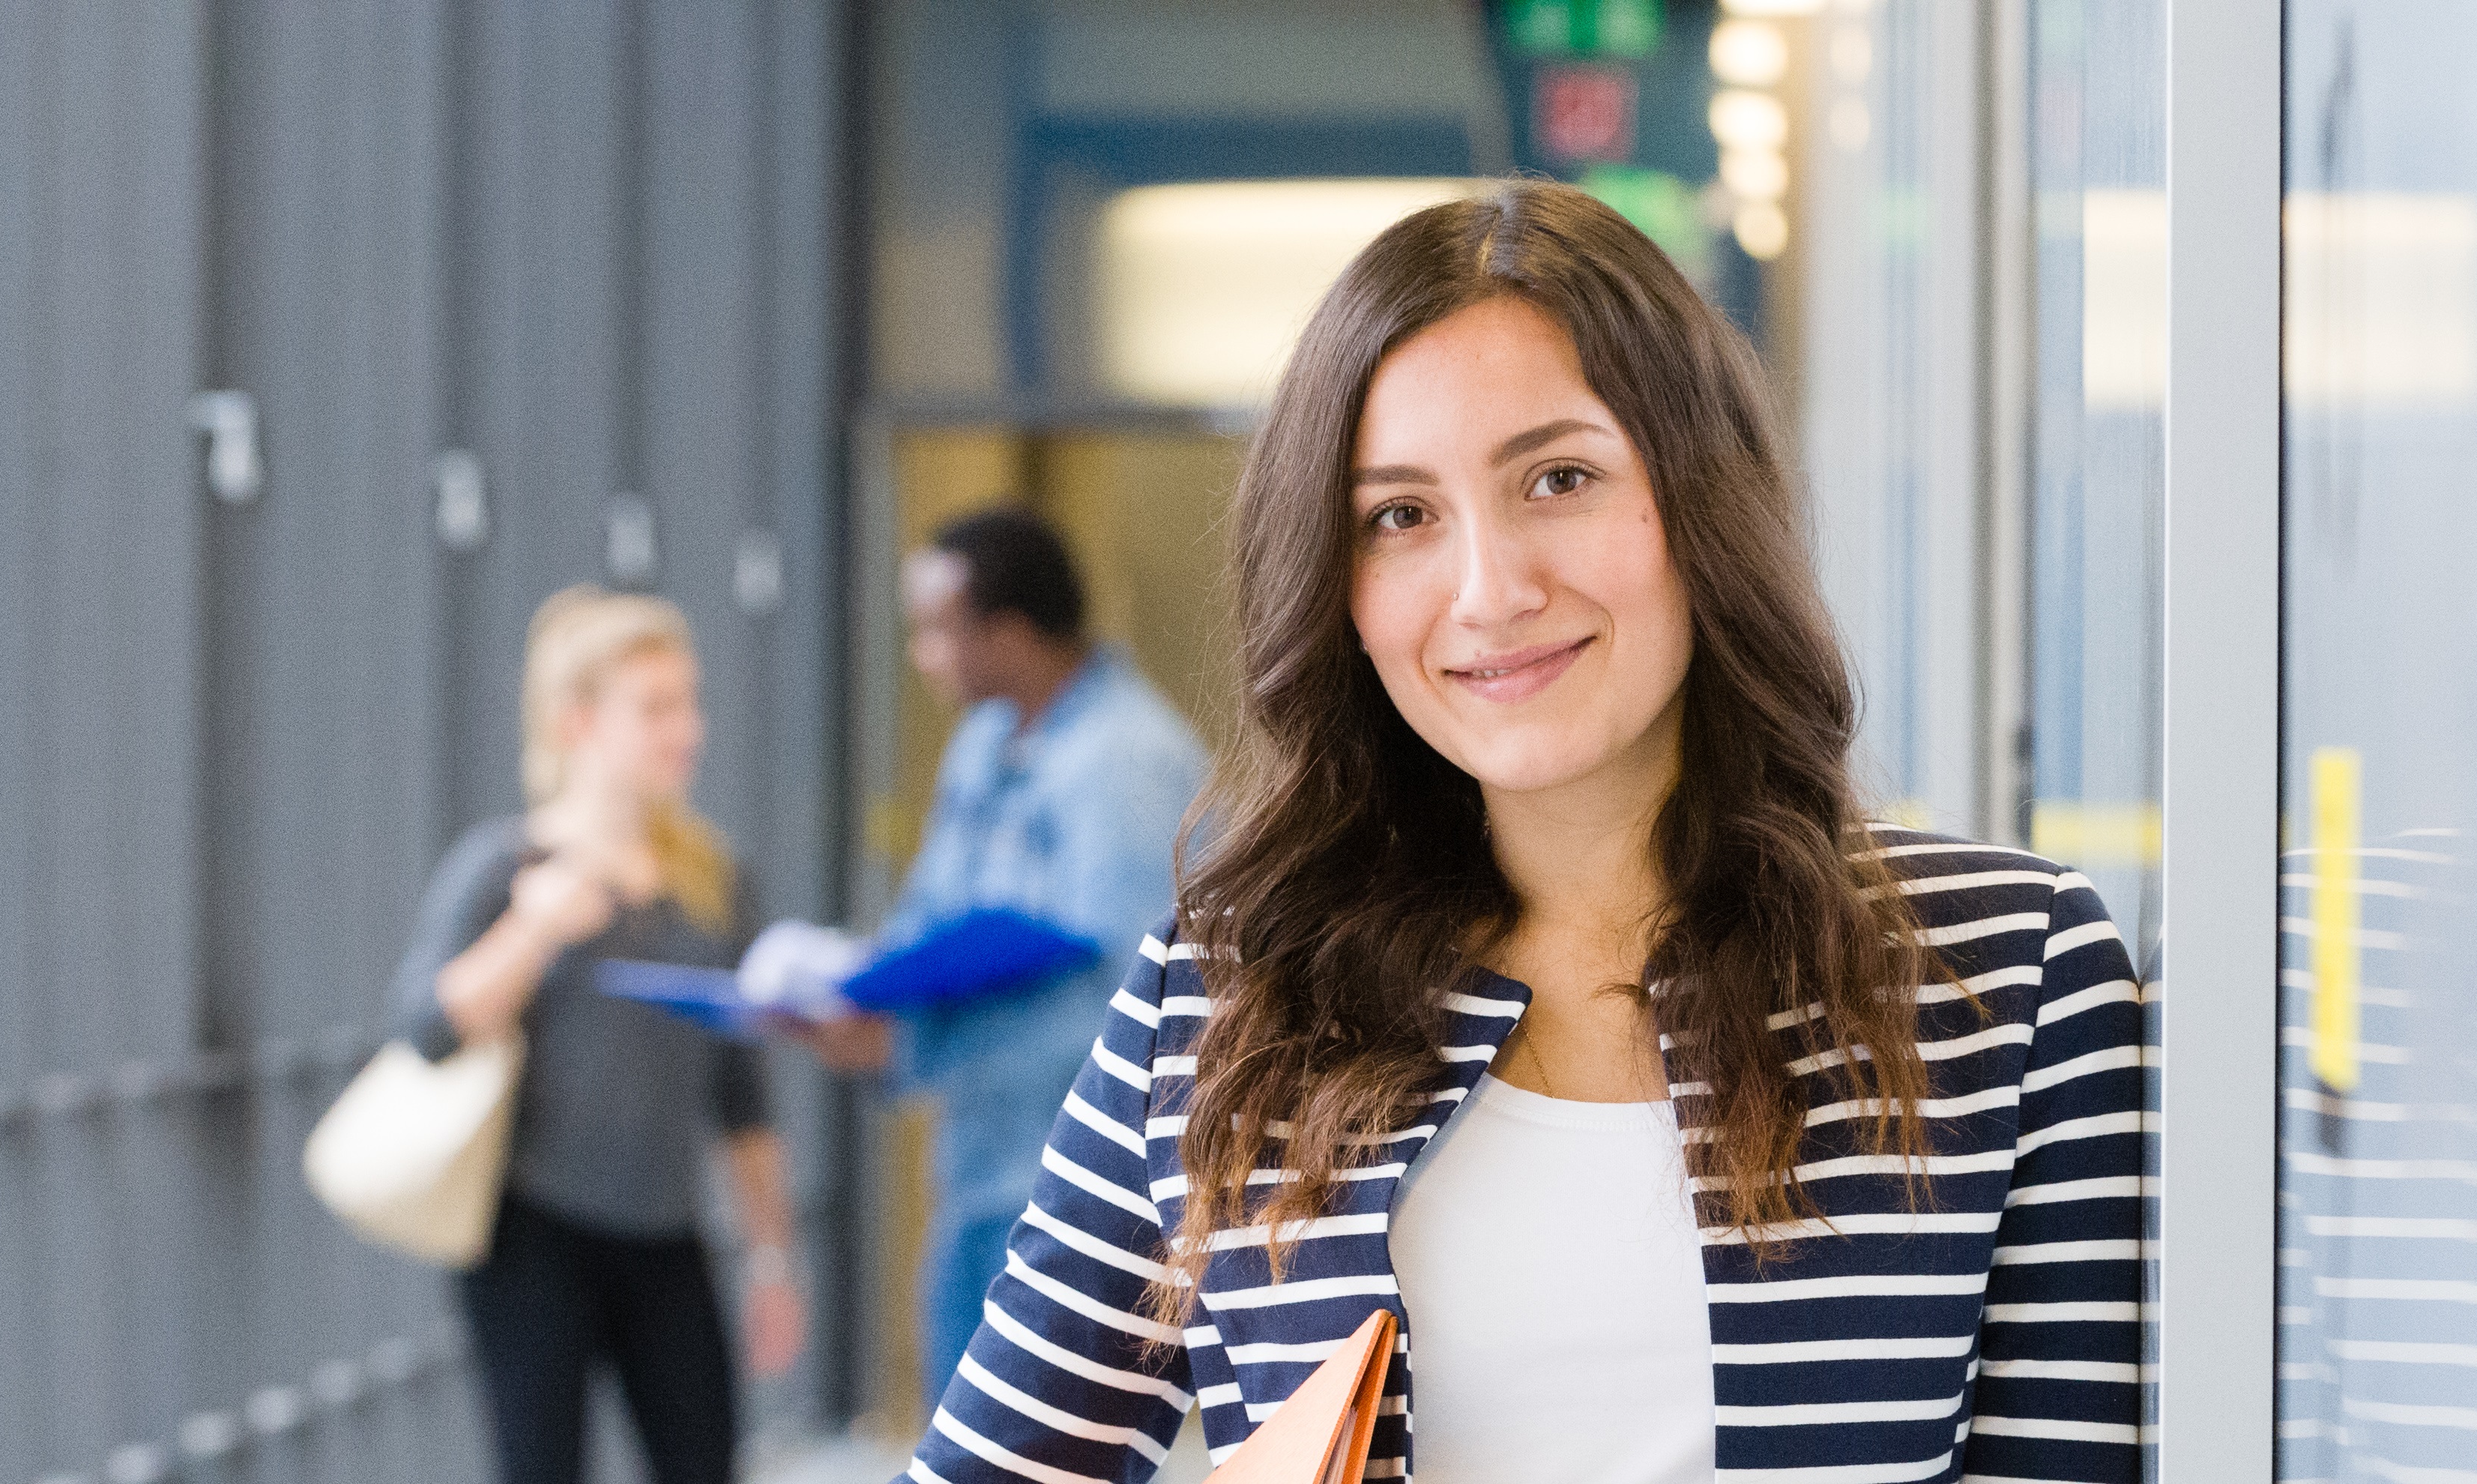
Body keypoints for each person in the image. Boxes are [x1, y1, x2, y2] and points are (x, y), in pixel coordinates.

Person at [899, 181, 2152, 1484]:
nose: (1489, 590)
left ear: (1700, 500)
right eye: (1399, 517)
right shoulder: (1225, 998)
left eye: (1557, 479)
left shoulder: (2005, 975)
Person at [390, 587, 806, 1484]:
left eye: (688, 704)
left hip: (666, 1235)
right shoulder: (506, 868)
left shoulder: (714, 881)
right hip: (530, 1235)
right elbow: (424, 1028)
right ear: (577, 722)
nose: (685, 729)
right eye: (655, 708)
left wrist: (771, 1260)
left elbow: (741, 1095)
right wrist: (532, 931)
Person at [800, 506, 1210, 1414]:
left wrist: (912, 1049)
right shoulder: (985, 742)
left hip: (1080, 1183)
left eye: (935, 630)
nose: (921, 654)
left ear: (1010, 631)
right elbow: (932, 917)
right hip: (979, 1164)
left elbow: (1132, 1006)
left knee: (1051, 1439)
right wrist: (854, 1000)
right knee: (962, 1425)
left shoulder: (1126, 764)